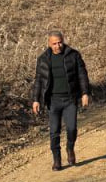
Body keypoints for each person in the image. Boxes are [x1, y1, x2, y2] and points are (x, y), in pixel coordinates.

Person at [31, 30, 90, 170]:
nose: (58, 46)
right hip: (53, 101)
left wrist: (85, 93)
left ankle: (70, 149)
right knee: (54, 131)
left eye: (60, 42)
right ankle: (57, 160)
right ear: (49, 44)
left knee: (72, 128)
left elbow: (82, 75)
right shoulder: (43, 59)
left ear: (63, 40)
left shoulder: (73, 55)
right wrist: (36, 99)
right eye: (54, 43)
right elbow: (38, 80)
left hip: (70, 99)